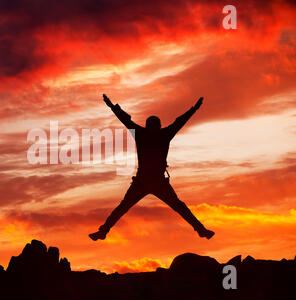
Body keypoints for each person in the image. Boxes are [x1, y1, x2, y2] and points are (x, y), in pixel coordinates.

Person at [89, 94, 215, 241]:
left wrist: (111, 106)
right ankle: (201, 230)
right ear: (157, 126)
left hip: (150, 182)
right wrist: (194, 109)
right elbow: (179, 122)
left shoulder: (144, 134)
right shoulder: (162, 134)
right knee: (178, 207)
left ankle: (103, 232)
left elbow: (125, 120)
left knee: (124, 207)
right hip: (148, 182)